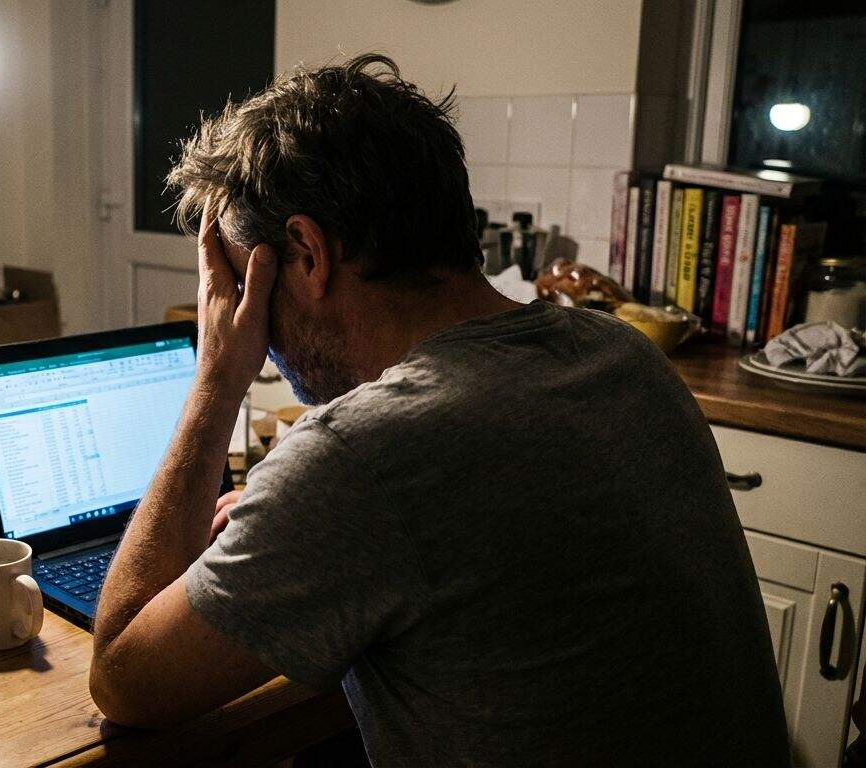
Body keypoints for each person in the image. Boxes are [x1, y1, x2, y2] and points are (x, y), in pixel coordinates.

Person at [87, 53, 790, 767]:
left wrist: (215, 381)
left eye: (241, 284)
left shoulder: (357, 459)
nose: (249, 330)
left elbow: (124, 679)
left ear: (306, 253)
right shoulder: (621, 355)